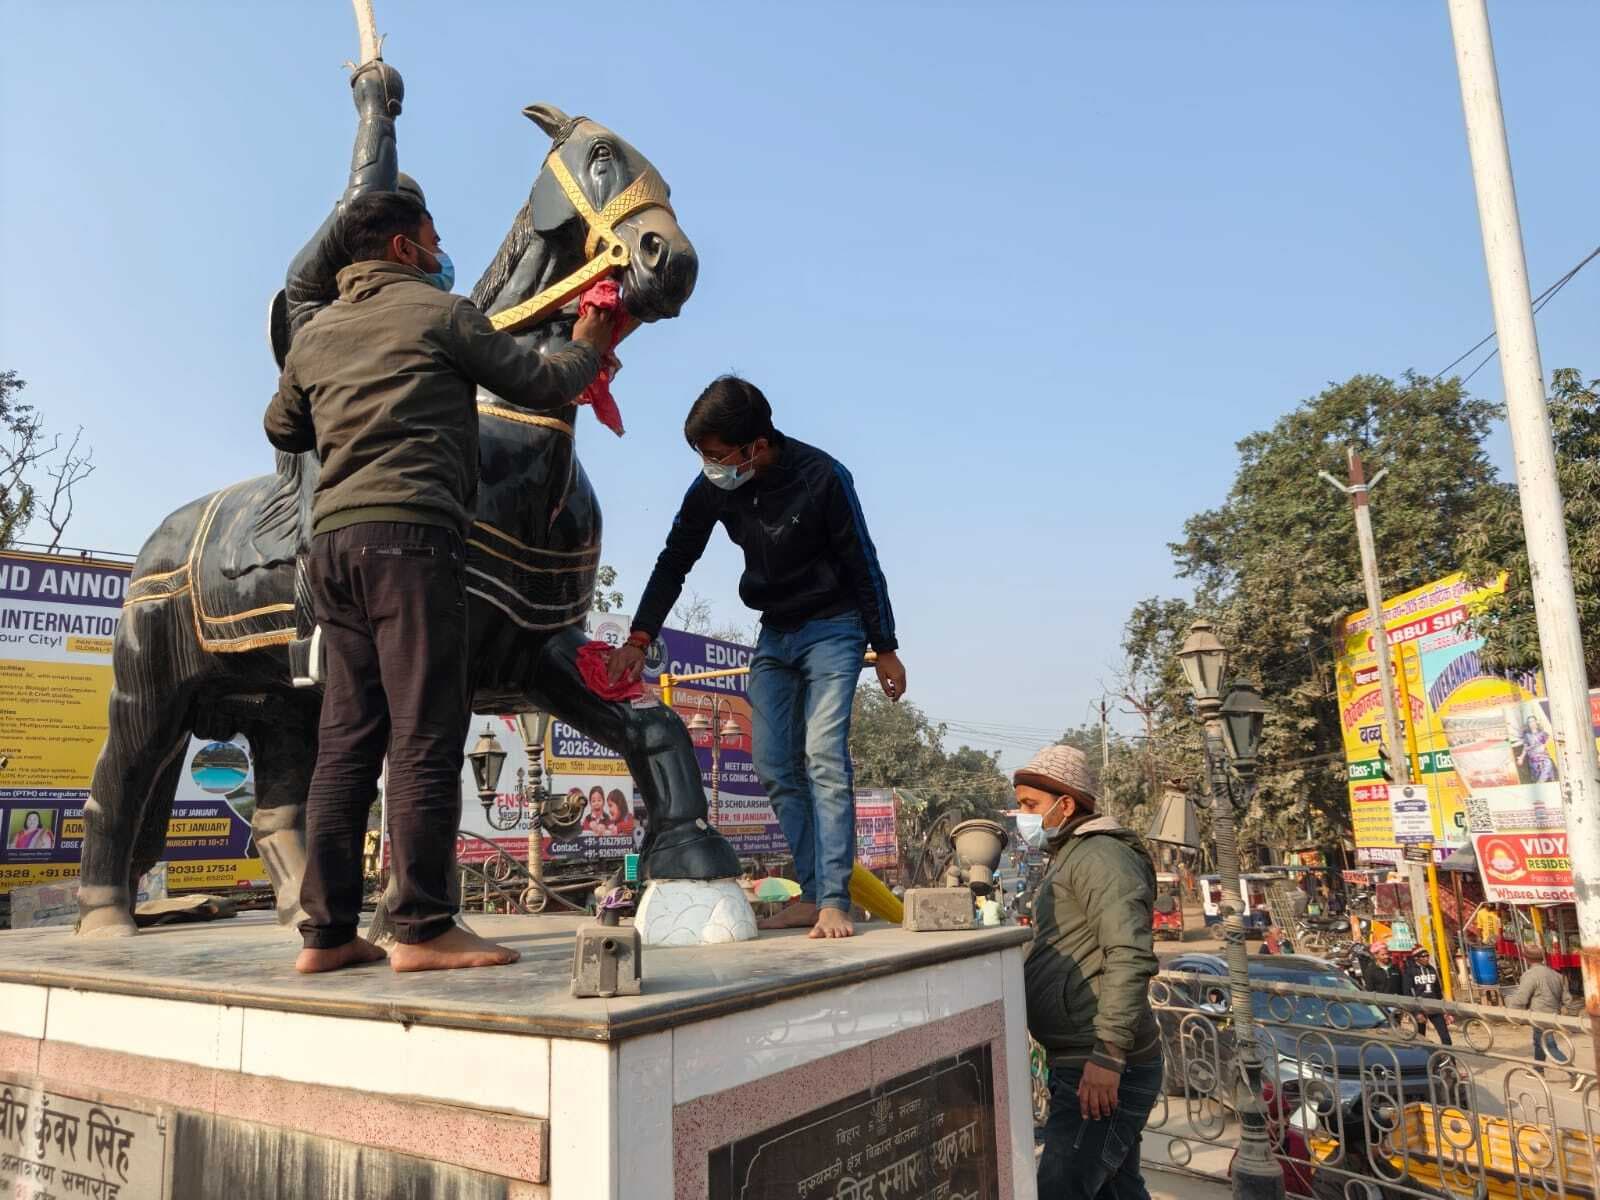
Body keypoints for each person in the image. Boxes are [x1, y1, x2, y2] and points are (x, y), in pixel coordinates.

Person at [265, 189, 616, 974]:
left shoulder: (317, 333)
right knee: (424, 732)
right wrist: (588, 342)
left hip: (333, 549)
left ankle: (325, 935)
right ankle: (421, 926)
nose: (439, 248)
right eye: (430, 237)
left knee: (347, 742)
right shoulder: (441, 313)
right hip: (412, 542)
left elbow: (282, 427)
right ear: (401, 249)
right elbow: (536, 381)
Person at [605, 376, 906, 940]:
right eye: (702, 456)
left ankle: (836, 901)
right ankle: (813, 893)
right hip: (775, 633)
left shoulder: (824, 478)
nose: (710, 466)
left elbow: (864, 562)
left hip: (834, 628)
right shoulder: (713, 488)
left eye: (718, 456)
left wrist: (885, 646)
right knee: (772, 764)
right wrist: (639, 638)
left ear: (756, 448)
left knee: (822, 757)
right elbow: (675, 559)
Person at [1015, 744, 1163, 1199]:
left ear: (1066, 804)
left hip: (1099, 1063)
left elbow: (1129, 953)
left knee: (1062, 1189)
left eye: (1030, 806)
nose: (1022, 816)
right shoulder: (1073, 855)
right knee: (1115, 1190)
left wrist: (1109, 1055)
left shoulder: (1101, 856)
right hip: (1081, 1057)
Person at [1504, 945, 1580, 1088]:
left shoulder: (1530, 975)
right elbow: (1567, 999)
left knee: (1549, 1046)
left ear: (1526, 959)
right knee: (1539, 1042)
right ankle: (1538, 1069)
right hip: (1554, 1015)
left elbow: (1521, 998)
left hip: (1540, 1016)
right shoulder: (1556, 975)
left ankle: (1574, 1072)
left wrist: (1510, 1011)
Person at [1403, 948, 1452, 1045]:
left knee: (1445, 1036)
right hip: (1419, 1007)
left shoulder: (1431, 969)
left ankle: (1450, 1058)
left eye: (1427, 956)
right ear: (1416, 958)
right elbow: (1407, 993)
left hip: (1434, 1006)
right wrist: (1416, 1012)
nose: (1426, 958)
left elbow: (1438, 991)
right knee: (1421, 1037)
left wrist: (1444, 1010)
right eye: (1423, 956)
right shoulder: (1410, 971)